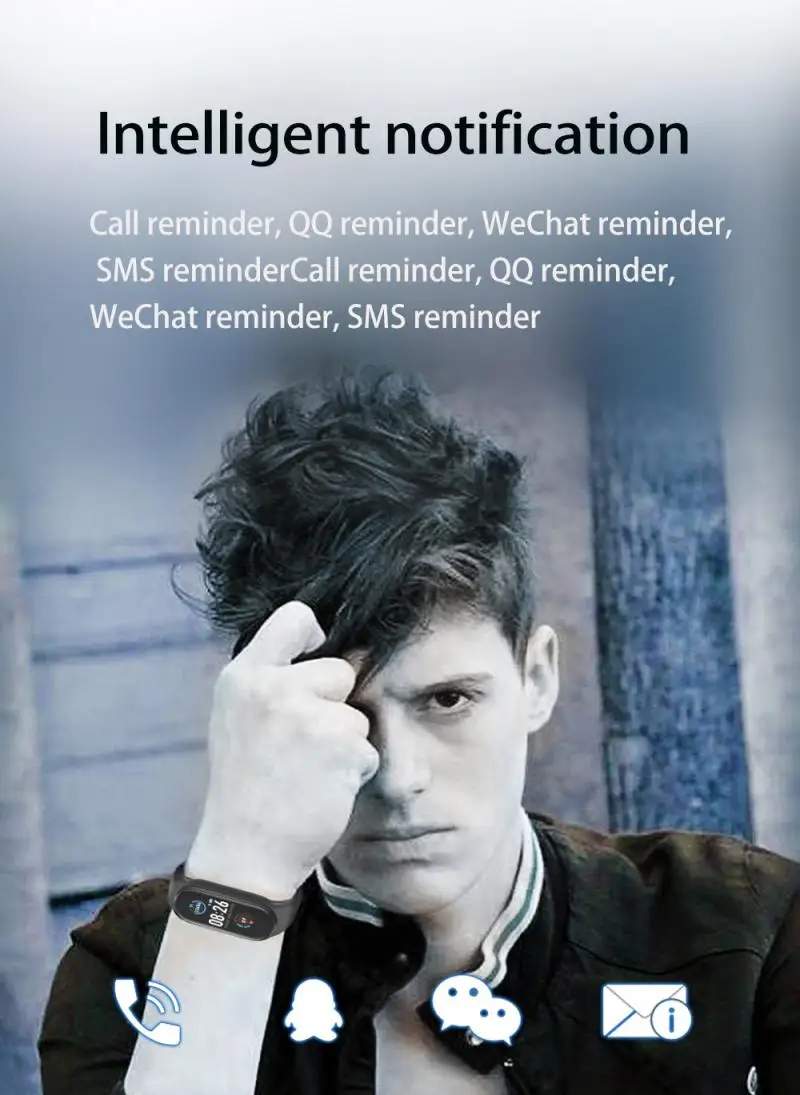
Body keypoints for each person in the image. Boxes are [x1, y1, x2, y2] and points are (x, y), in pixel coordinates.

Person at [39, 373, 800, 1095]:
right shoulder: (136, 970)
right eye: (344, 712)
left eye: (447, 699)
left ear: (536, 679)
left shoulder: (751, 932)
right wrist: (235, 877)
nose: (397, 776)